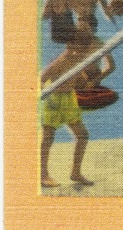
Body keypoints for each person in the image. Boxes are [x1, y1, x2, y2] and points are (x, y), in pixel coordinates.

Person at [39, 32, 97, 187]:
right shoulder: (62, 60)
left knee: (82, 135)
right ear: (70, 45)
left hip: (69, 99)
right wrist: (46, 95)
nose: (82, 50)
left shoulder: (79, 60)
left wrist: (85, 82)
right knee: (48, 138)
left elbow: (79, 79)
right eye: (79, 46)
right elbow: (41, 79)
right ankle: (43, 175)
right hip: (54, 100)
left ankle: (75, 173)